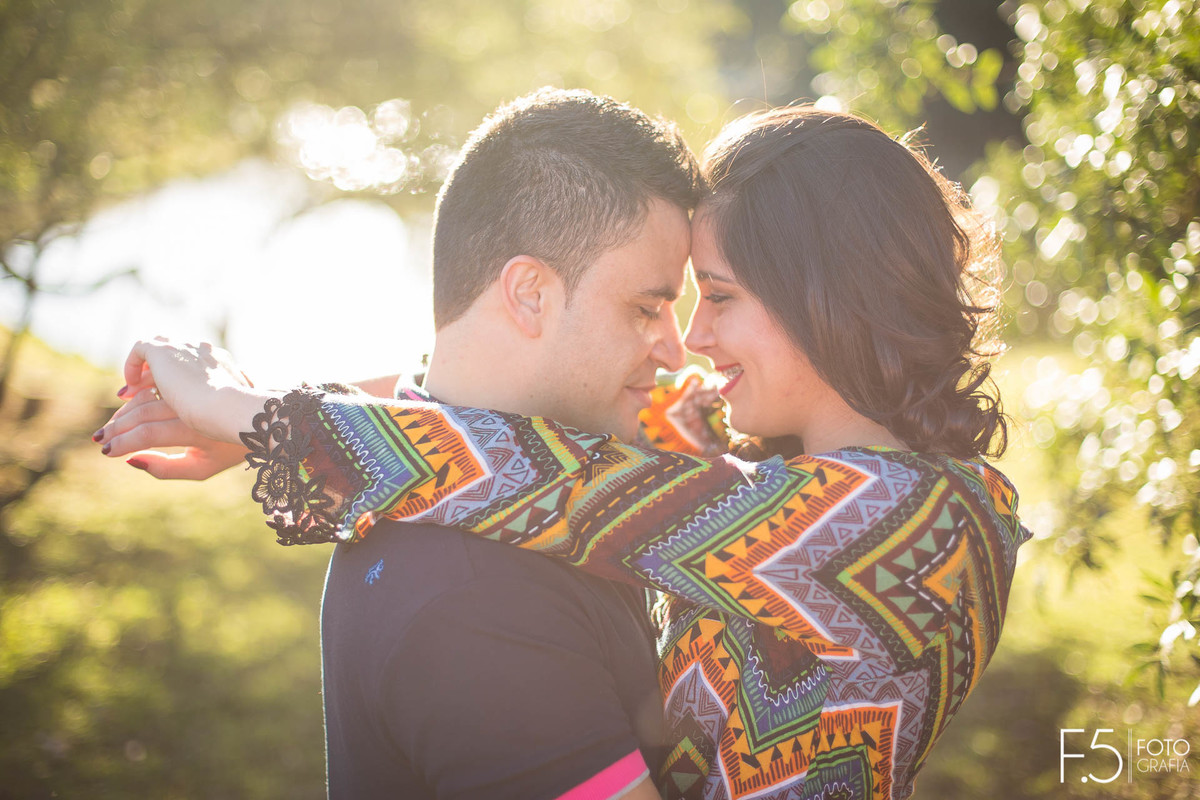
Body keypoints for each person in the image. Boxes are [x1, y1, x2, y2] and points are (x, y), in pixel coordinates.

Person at [99, 105, 1032, 800]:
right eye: (667, 302)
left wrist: (252, 415)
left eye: (721, 295)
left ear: (827, 296)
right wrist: (274, 419)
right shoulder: (798, 470)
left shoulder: (904, 523)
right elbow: (508, 414)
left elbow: (551, 483)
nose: (692, 338)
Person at [101, 88, 709, 799]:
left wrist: (262, 416)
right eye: (646, 309)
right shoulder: (478, 603)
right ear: (530, 295)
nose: (677, 350)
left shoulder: (472, 462)